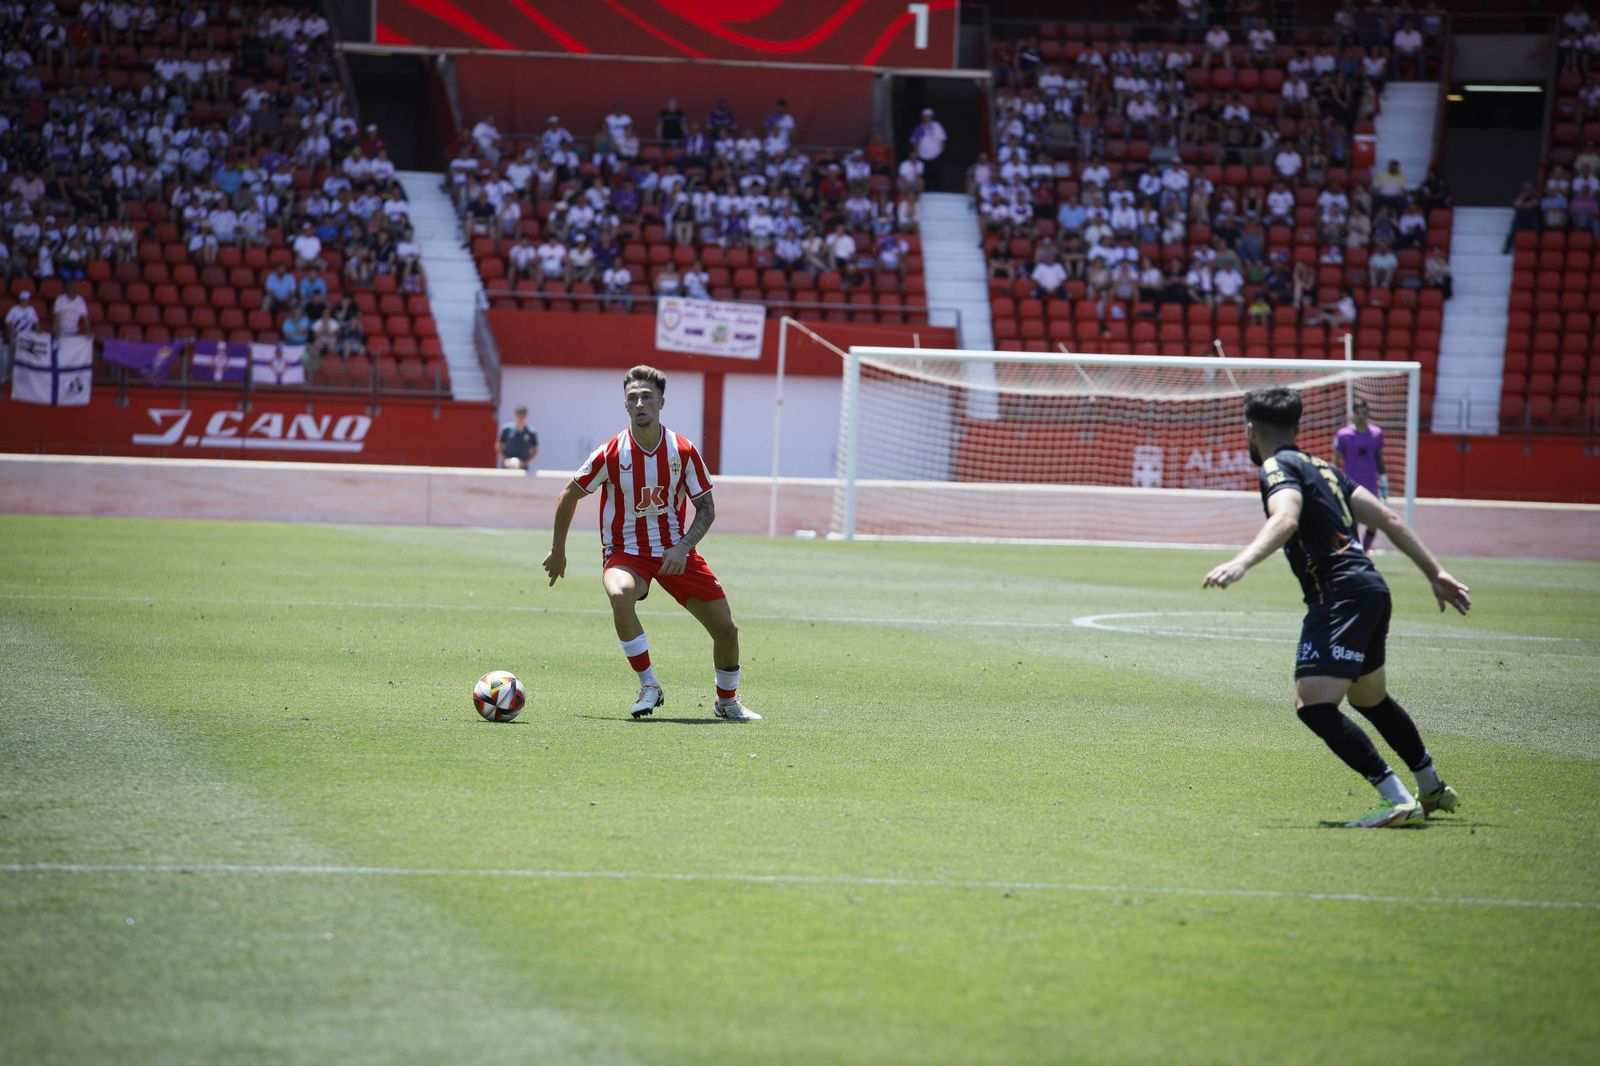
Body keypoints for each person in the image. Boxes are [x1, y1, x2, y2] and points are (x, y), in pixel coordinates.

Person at [1202, 385, 1470, 828]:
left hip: (1339, 596)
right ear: (1297, 426)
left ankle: (1395, 797)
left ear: (1250, 430)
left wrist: (1241, 561)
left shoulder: (1276, 467)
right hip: (1371, 588)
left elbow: (1285, 518)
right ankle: (1431, 786)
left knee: (1313, 705)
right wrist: (1434, 572)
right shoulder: (1324, 467)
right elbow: (1389, 518)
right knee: (1369, 697)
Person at [542, 365, 760, 722]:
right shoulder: (610, 453)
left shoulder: (683, 450)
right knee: (619, 594)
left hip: (675, 551)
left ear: (661, 402)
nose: (640, 403)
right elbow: (568, 495)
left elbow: (706, 508)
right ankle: (648, 685)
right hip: (625, 553)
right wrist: (558, 550)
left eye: (646, 397)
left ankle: (727, 702)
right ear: (625, 406)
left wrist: (683, 546)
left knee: (726, 629)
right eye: (632, 398)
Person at [1332, 400, 1388, 551]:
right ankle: (1348, 553)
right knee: (1351, 523)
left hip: (1370, 485)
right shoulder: (1343, 435)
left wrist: (1384, 480)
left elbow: (1379, 458)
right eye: (1358, 413)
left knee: (1374, 522)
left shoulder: (1376, 434)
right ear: (1353, 415)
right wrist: (1334, 481)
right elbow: (1336, 461)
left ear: (1368, 414)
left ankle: (1364, 553)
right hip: (1351, 486)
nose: (1362, 416)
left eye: (1364, 413)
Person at [498, 404, 539, 471]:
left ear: (526, 416)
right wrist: (506, 459)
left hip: (522, 468)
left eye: (523, 415)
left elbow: (535, 450)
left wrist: (525, 462)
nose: (520, 418)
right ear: (515, 415)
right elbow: (498, 446)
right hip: (507, 467)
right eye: (519, 415)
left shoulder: (531, 432)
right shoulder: (507, 429)